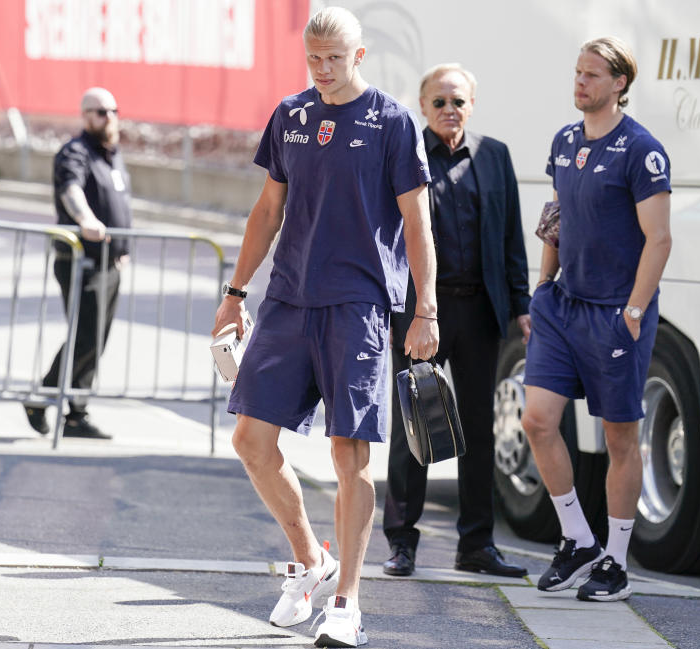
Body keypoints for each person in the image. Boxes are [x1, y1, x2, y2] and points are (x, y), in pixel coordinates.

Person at [211, 7, 436, 647]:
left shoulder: (392, 121)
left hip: (357, 306)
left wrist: (426, 310)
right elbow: (268, 208)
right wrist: (234, 293)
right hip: (286, 301)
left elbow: (417, 223)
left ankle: (346, 603)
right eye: (314, 58)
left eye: (335, 58)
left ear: (359, 56)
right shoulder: (291, 115)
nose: (323, 70)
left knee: (349, 455)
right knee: (251, 442)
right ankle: (312, 560)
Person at [521, 37, 672, 602]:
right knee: (537, 420)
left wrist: (633, 311)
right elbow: (556, 214)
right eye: (577, 73)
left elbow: (660, 239)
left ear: (619, 84)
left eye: (591, 75)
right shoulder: (564, 141)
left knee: (619, 438)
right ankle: (578, 540)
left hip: (616, 312)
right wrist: (543, 284)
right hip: (562, 305)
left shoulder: (642, 150)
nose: (580, 83)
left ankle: (617, 560)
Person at [381, 63, 530, 579]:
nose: (450, 110)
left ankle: (476, 545)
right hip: (422, 310)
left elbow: (511, 237)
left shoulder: (495, 156)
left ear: (472, 105)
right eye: (440, 101)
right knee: (414, 427)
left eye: (459, 101)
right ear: (423, 107)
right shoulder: (405, 154)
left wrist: (521, 305)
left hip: (478, 312)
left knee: (479, 431)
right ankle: (401, 542)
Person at [24, 87, 130, 440]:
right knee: (85, 334)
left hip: (109, 262)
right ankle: (43, 398)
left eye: (113, 110)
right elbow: (71, 190)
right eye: (101, 111)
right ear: (85, 115)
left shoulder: (112, 156)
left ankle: (75, 415)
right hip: (81, 260)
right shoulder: (75, 152)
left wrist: (122, 249)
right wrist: (85, 219)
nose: (109, 117)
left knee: (96, 338)